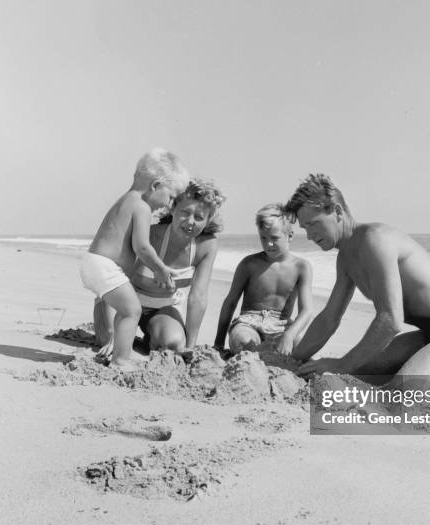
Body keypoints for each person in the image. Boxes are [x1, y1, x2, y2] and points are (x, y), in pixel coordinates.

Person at [286, 174, 430, 389]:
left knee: (403, 391)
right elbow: (329, 319)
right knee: (359, 376)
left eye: (313, 224)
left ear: (338, 211)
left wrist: (342, 364)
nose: (309, 235)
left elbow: (390, 320)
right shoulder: (345, 258)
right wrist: (292, 360)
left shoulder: (374, 239)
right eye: (305, 228)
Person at [80, 148, 189, 369]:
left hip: (94, 263)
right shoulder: (142, 207)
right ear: (155, 185)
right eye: (170, 196)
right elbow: (142, 247)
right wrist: (160, 269)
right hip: (105, 267)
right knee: (133, 310)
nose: (169, 204)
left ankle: (118, 350)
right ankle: (121, 360)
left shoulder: (125, 200)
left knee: (126, 309)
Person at [131, 178, 223, 352]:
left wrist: (190, 346)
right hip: (129, 301)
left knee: (173, 344)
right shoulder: (150, 235)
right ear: (172, 208)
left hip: (163, 308)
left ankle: (153, 335)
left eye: (199, 217)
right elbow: (119, 274)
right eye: (185, 212)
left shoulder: (206, 246)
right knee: (107, 337)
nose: (190, 222)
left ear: (208, 219)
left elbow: (198, 296)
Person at [214, 204, 313, 356]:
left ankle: (267, 354)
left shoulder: (301, 267)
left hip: (281, 325)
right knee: (242, 341)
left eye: (274, 238)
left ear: (290, 235)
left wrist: (290, 335)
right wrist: (219, 343)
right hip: (249, 322)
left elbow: (306, 310)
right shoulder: (249, 264)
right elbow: (231, 301)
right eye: (263, 238)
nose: (268, 244)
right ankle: (261, 355)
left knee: (303, 348)